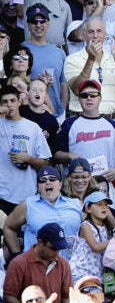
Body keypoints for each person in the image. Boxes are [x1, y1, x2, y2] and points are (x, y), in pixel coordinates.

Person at [0, 84, 51, 215]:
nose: (9, 105)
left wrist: (27, 158)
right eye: (4, 102)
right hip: (2, 194)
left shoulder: (33, 127)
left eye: (12, 100)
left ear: (20, 102)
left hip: (27, 194)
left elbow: (45, 163)